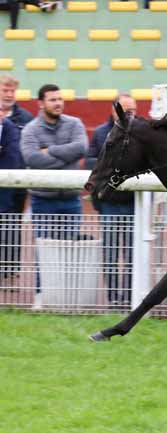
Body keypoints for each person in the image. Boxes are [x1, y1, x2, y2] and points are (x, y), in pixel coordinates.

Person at [20, 84, 87, 305]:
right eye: (52, 100)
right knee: (44, 250)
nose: (58, 103)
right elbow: (32, 159)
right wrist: (65, 156)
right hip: (43, 200)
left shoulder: (75, 123)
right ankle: (42, 295)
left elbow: (81, 148)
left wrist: (49, 151)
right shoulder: (30, 129)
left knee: (70, 248)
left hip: (71, 199)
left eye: (60, 99)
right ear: (41, 103)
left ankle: (67, 296)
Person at [86, 93, 136, 308]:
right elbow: (91, 162)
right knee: (111, 254)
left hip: (135, 204)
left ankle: (131, 298)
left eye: (133, 110)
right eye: (127, 110)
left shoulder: (140, 134)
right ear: (113, 111)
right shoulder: (100, 134)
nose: (131, 114)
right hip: (110, 204)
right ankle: (114, 299)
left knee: (134, 255)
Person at [0, 113, 24, 289]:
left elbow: (12, 160)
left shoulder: (10, 128)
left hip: (7, 194)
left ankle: (8, 273)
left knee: (8, 233)